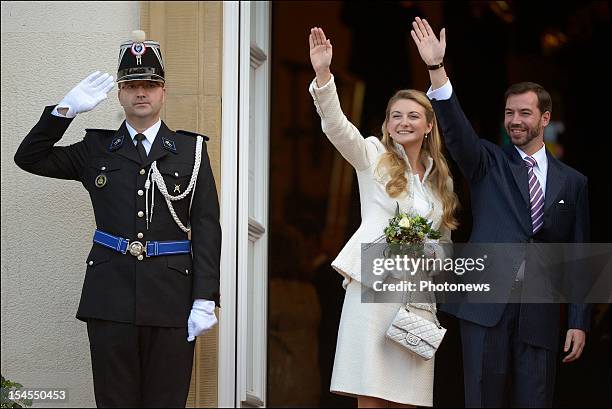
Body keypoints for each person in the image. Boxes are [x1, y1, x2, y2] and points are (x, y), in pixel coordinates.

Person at [13, 31, 221, 407]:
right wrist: (65, 111)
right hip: (111, 298)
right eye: (131, 85)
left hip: (172, 299)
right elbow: (29, 158)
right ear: (120, 93)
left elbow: (207, 227)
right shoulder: (95, 149)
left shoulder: (190, 152)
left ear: (163, 92)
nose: (141, 93)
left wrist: (204, 298)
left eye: (150, 85)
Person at [410, 17, 590, 407]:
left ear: (545, 118)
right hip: (485, 304)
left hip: (541, 311)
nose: (515, 121)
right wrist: (436, 70)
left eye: (525, 113)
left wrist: (578, 319)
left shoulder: (573, 182)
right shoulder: (486, 162)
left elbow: (578, 255)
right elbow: (456, 132)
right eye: (509, 113)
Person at [308, 27, 459, 408]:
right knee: (371, 397)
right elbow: (337, 128)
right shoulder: (372, 156)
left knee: (410, 399)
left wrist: (428, 251)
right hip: (373, 292)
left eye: (412, 116)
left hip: (417, 300)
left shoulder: (440, 180)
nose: (403, 122)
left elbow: (445, 248)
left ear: (428, 127)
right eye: (396, 116)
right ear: (388, 124)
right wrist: (324, 77)